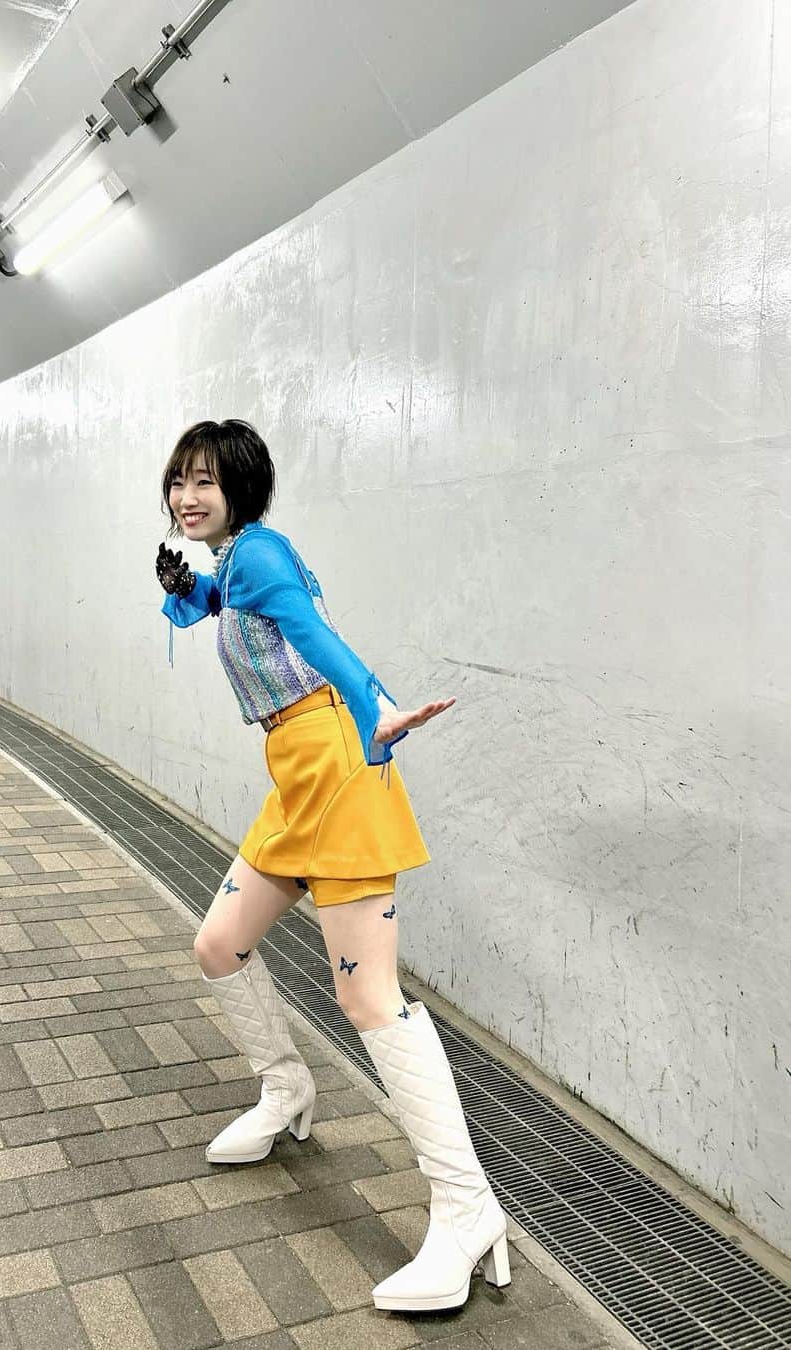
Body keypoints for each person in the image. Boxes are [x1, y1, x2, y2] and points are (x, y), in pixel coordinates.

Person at [155, 419, 510, 1313]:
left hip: (338, 766)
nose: (187, 497)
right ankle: (286, 1089)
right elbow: (223, 604)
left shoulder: (260, 553)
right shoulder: (237, 561)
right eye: (179, 481)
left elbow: (315, 635)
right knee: (218, 945)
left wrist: (374, 703)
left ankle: (467, 1210)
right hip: (295, 771)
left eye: (205, 481)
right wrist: (188, 589)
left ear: (241, 487)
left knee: (368, 998)